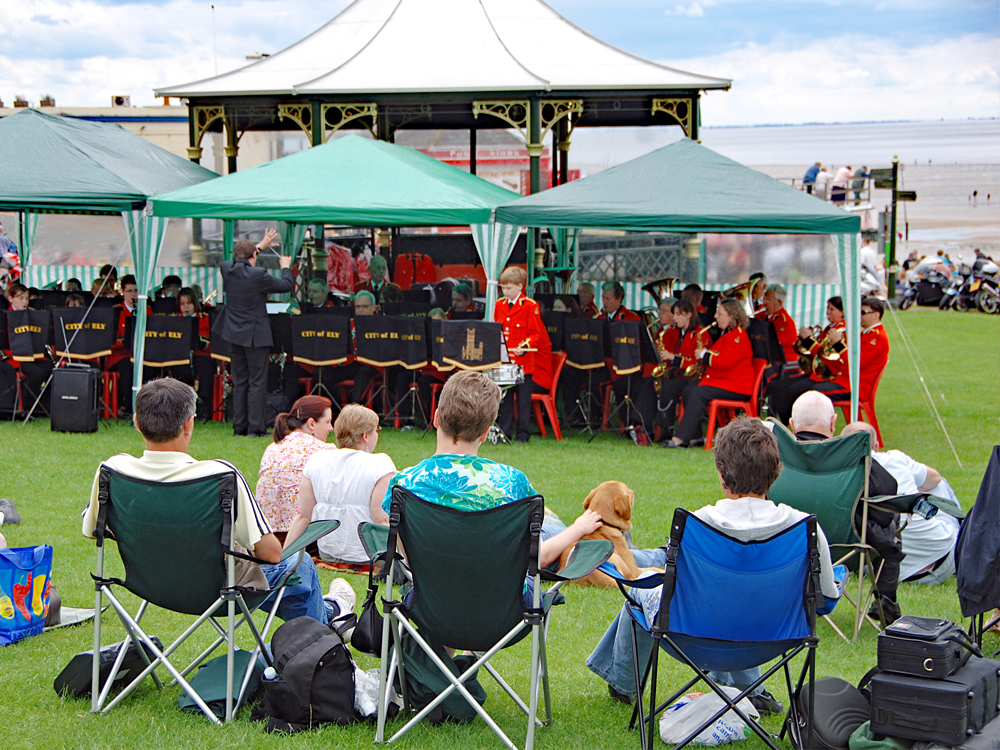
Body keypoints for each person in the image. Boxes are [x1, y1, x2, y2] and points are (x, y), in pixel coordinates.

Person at [588, 416, 841, 711]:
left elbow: (677, 596)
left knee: (642, 591)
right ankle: (752, 690)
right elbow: (825, 601)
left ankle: (622, 683)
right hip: (775, 638)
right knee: (736, 602)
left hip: (696, 637)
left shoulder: (697, 526)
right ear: (776, 472)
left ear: (722, 474)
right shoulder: (804, 529)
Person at [81, 379, 355, 626]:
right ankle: (318, 641)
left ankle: (325, 619)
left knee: (288, 576)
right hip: (214, 590)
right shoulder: (219, 476)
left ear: (137, 423)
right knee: (299, 565)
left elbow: (92, 529)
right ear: (189, 423)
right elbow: (271, 554)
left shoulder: (113, 470)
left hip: (148, 584)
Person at [384, 370, 602, 569]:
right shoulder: (511, 482)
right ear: (486, 433)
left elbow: (409, 559)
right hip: (501, 606)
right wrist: (579, 528)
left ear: (436, 418)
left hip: (427, 604)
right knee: (555, 526)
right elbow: (537, 558)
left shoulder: (403, 484)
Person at [789, 391, 904, 622]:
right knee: (890, 518)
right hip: (847, 547)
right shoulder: (851, 458)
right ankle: (886, 600)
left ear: (791, 424)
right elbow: (888, 490)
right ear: (833, 423)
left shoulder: (777, 453)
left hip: (790, 544)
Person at [843, 422, 960, 585]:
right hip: (942, 558)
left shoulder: (838, 477)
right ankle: (965, 551)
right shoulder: (895, 459)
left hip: (880, 568)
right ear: (876, 446)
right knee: (940, 484)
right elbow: (935, 478)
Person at [285, 404, 395, 564]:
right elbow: (382, 521)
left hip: (328, 552)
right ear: (365, 435)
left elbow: (303, 516)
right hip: (370, 555)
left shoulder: (317, 460)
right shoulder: (381, 464)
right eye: (376, 430)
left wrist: (283, 557)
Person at [213, 230, 294, 437]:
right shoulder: (259, 275)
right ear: (254, 257)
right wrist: (285, 267)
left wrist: (258, 247)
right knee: (257, 382)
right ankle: (255, 428)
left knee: (240, 381)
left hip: (234, 334)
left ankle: (239, 427)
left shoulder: (226, 270)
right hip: (255, 336)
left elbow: (241, 260)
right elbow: (286, 285)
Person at [769, 296, 889, 424]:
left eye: (863, 313)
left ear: (876, 315)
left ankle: (793, 425)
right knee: (792, 388)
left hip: (854, 386)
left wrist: (837, 343)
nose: (859, 316)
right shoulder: (867, 334)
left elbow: (855, 364)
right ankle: (786, 423)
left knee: (807, 392)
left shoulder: (876, 337)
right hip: (844, 380)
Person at [666, 298, 754, 448]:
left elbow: (724, 362)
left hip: (736, 386)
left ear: (731, 316)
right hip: (725, 382)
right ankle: (695, 437)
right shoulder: (728, 334)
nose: (715, 317)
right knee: (689, 390)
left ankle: (680, 438)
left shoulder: (738, 336)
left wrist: (705, 355)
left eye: (719, 314)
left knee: (698, 393)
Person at [256, 395, 336, 542]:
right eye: (328, 422)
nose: (331, 428)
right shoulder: (325, 451)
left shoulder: (272, 448)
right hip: (304, 537)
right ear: (311, 423)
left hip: (266, 536)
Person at [493, 266, 552, 443]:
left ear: (520, 287)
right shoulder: (499, 305)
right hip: (506, 360)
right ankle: (504, 432)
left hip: (524, 361)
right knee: (506, 399)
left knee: (524, 400)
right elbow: (498, 329)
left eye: (509, 288)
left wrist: (524, 346)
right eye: (503, 287)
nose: (505, 291)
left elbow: (535, 334)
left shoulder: (530, 306)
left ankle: (523, 434)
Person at [655, 299, 710, 437]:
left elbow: (697, 363)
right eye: (674, 314)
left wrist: (673, 358)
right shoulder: (677, 332)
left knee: (670, 387)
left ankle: (667, 429)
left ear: (689, 315)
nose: (675, 318)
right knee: (667, 386)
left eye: (679, 314)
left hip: (695, 378)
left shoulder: (700, 334)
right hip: (680, 375)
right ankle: (663, 427)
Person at [177, 287, 216, 420]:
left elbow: (212, 341)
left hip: (201, 355)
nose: (186, 307)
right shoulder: (176, 320)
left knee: (205, 366)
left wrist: (200, 341)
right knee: (178, 367)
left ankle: (205, 407)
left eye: (189, 303)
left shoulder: (205, 318)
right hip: (182, 356)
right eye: (182, 304)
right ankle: (180, 408)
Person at [758, 284, 797, 364]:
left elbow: (771, 345)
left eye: (768, 300)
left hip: (782, 366)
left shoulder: (785, 323)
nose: (764, 304)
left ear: (779, 302)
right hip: (767, 362)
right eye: (763, 300)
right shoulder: (760, 316)